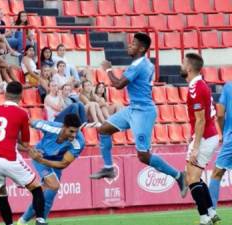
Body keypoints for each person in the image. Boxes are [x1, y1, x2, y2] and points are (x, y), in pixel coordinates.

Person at [89, 33, 188, 197]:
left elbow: (118, 85)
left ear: (142, 48)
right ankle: (108, 168)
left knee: (143, 156)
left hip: (143, 112)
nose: (129, 45)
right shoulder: (144, 63)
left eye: (133, 43)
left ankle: (179, 176)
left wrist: (107, 69)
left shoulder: (139, 65)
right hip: (133, 109)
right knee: (103, 129)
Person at [0, 81, 47, 225]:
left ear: (6, 94)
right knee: (37, 188)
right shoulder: (22, 113)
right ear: (21, 96)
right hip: (9, 158)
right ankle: (40, 220)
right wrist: (31, 150)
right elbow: (25, 143)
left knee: (1, 193)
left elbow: (5, 134)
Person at [17, 113, 85, 224]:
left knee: (49, 195)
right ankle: (40, 220)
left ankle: (23, 221)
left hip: (53, 162)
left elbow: (63, 164)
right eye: (71, 131)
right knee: (54, 185)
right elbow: (27, 121)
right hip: (40, 155)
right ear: (64, 126)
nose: (74, 135)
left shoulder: (79, 142)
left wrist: (41, 160)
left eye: (76, 131)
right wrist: (23, 144)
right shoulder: (50, 126)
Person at [180, 53, 220, 225]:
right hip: (208, 135)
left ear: (189, 67)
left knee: (192, 178)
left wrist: (196, 146)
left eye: (183, 63)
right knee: (193, 174)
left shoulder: (195, 88)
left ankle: (204, 218)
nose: (181, 66)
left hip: (205, 137)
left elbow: (201, 119)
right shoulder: (201, 84)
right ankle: (211, 213)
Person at [209, 82, 232, 221]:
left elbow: (220, 114)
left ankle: (211, 214)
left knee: (217, 173)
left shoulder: (229, 87)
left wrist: (223, 133)